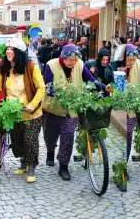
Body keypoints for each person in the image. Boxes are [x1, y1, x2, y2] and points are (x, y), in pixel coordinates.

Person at [0, 38, 45, 183]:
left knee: (30, 140)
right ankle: (23, 162)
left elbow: (41, 88)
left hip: (31, 113)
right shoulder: (4, 68)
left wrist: (32, 104)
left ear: (20, 53)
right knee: (17, 141)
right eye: (7, 49)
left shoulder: (31, 67)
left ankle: (31, 167)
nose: (8, 51)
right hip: (12, 113)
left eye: (12, 49)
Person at [42, 44, 106, 180]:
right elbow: (48, 84)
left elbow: (91, 80)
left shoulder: (79, 64)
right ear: (63, 58)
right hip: (53, 108)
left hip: (72, 109)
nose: (73, 63)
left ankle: (63, 166)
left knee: (68, 135)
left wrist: (104, 87)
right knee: (50, 136)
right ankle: (50, 151)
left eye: (75, 60)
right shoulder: (51, 65)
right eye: (70, 60)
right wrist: (53, 91)